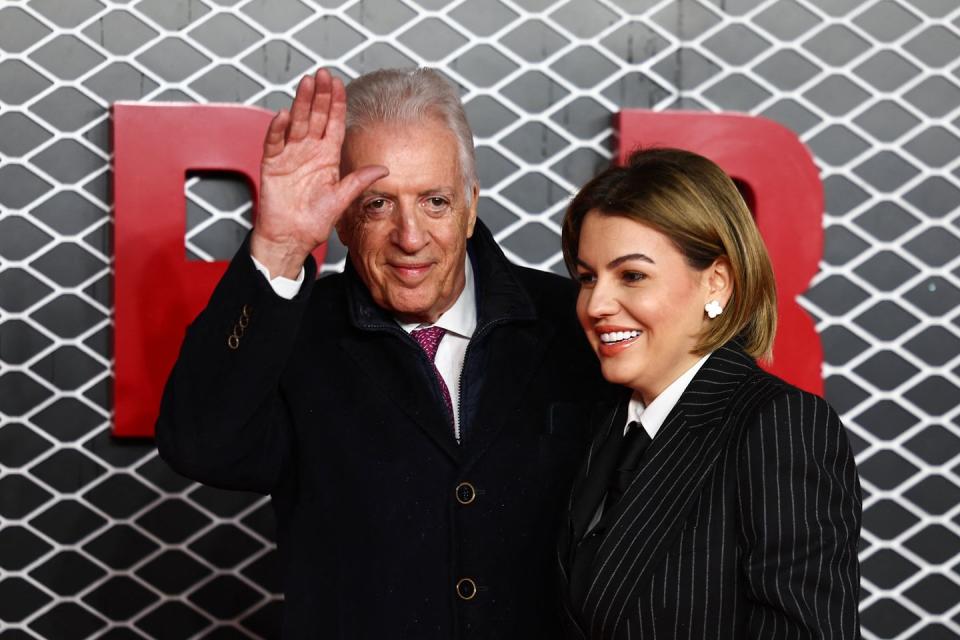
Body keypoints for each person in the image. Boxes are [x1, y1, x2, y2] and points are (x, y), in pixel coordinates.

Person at [156, 68, 609, 638]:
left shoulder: (575, 323)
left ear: (470, 206)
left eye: (435, 201)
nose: (410, 236)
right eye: (376, 205)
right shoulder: (293, 336)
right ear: (341, 216)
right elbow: (199, 445)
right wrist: (279, 247)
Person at [556, 148, 862, 639]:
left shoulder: (778, 426)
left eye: (632, 275)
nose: (597, 304)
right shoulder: (600, 421)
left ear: (716, 283)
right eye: (588, 277)